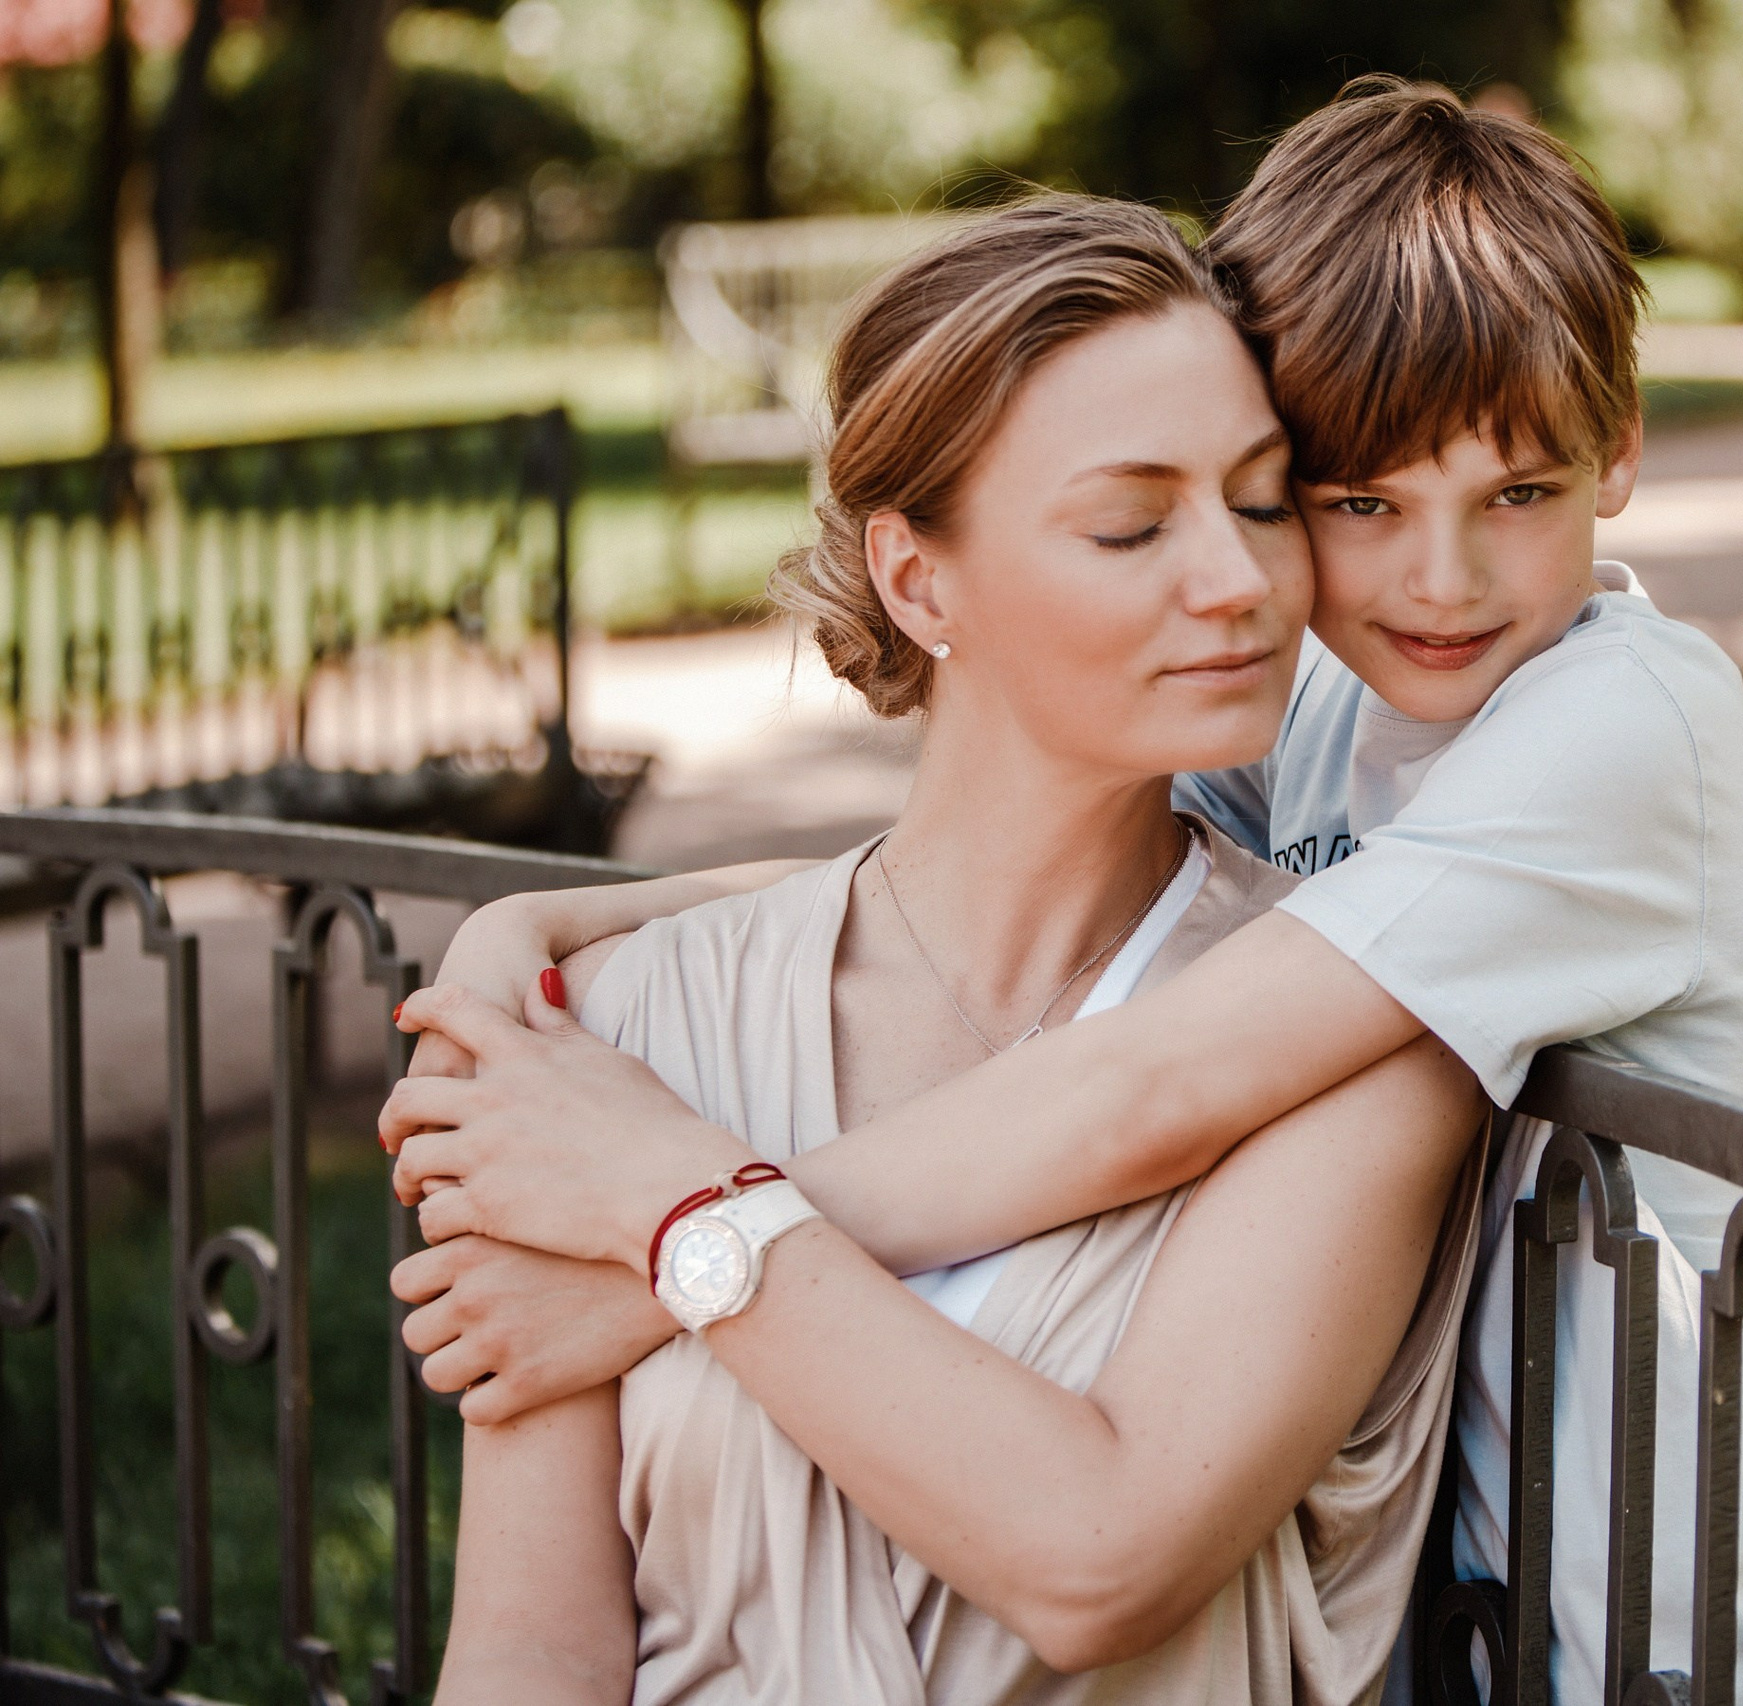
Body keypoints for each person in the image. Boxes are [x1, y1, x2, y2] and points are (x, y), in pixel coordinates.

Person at [401, 81, 1743, 1702]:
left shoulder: (1622, 731)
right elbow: (1025, 848)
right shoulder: (1352, 703)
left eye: (1518, 494)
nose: (1440, 577)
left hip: (1713, 1630)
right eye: (1354, 502)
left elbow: (1160, 1071)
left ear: (1619, 452)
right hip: (1503, 1607)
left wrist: (678, 1224)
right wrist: (562, 922)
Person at [386, 195, 1489, 1704]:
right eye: (1132, 521)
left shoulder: (1345, 1025)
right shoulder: (608, 1028)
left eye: (1265, 497)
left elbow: (1104, 1560)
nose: (1239, 579)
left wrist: (674, 1203)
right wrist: (542, 939)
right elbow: (530, 1642)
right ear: (917, 580)